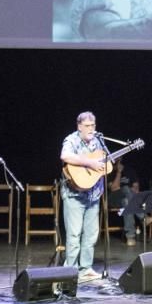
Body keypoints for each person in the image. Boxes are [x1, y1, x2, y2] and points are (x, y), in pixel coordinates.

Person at [59, 111, 106, 283]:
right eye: (87, 126)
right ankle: (70, 271)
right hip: (74, 195)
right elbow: (65, 156)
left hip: (93, 195)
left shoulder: (99, 141)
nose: (91, 129)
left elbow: (104, 162)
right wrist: (89, 163)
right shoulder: (71, 139)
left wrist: (102, 165)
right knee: (74, 234)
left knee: (91, 235)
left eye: (93, 126)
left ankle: (85, 269)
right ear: (79, 126)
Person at [106, 160, 141, 246]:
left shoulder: (129, 170)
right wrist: (119, 172)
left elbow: (136, 189)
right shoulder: (109, 171)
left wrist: (130, 191)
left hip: (128, 199)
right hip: (114, 199)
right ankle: (142, 216)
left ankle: (130, 237)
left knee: (126, 201)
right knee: (125, 188)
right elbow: (114, 188)